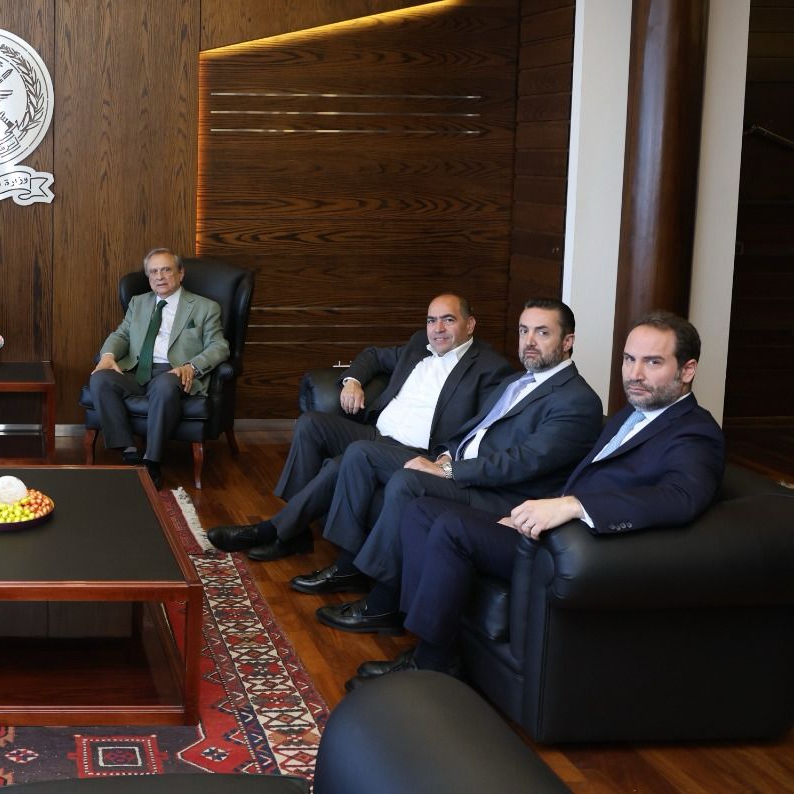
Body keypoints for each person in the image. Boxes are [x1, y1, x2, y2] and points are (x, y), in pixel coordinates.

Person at [350, 311, 725, 689]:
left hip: (579, 548)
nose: (635, 373)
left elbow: (681, 497)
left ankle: (431, 664)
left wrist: (572, 506)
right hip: (546, 529)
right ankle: (424, 637)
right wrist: (537, 508)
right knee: (421, 511)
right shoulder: (632, 413)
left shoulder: (695, 432)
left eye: (653, 362)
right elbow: (585, 476)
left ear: (687, 370)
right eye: (629, 359)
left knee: (451, 526)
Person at [302, 298, 603, 632]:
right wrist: (447, 455)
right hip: (463, 470)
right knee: (363, 453)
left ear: (567, 341)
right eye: (524, 331)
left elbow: (524, 462)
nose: (529, 341)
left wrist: (448, 470)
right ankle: (347, 566)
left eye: (542, 332)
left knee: (407, 482)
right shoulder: (518, 382)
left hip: (500, 495)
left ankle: (381, 606)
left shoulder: (577, 400)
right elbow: (474, 430)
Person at [206, 294, 511, 559]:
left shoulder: (489, 368)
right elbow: (373, 355)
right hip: (375, 432)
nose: (438, 328)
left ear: (470, 324)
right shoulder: (419, 344)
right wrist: (352, 381)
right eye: (432, 320)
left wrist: (446, 460)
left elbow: (485, 426)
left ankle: (274, 530)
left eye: (448, 320)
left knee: (345, 461)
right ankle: (295, 532)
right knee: (311, 424)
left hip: (416, 451)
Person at [88, 248, 230, 488]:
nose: (159, 277)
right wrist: (108, 356)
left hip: (174, 372)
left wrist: (192, 366)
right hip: (137, 370)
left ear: (180, 273)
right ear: (148, 276)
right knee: (100, 378)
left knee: (164, 385)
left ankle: (152, 460)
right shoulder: (138, 302)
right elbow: (121, 335)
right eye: (153, 272)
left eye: (166, 270)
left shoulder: (205, 307)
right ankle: (128, 450)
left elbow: (219, 346)